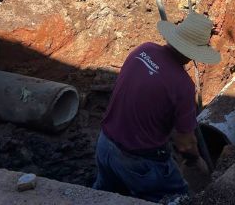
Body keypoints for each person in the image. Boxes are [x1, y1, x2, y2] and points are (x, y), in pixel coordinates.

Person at [93, 11, 221, 203]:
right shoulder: (183, 85)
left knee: (102, 196)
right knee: (179, 198)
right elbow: (185, 143)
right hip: (140, 162)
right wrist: (195, 159)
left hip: (105, 145)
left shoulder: (143, 50)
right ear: (193, 53)